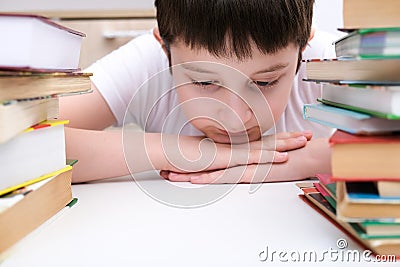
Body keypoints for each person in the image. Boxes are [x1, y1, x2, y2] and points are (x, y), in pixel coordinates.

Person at [60, 0, 336, 184]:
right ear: (165, 48)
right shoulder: (146, 62)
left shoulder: (329, 61)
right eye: (205, 83)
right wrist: (188, 151)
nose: (234, 117)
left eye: (264, 83)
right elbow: (27, 143)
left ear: (303, 48)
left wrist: (306, 160)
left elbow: (382, 154)